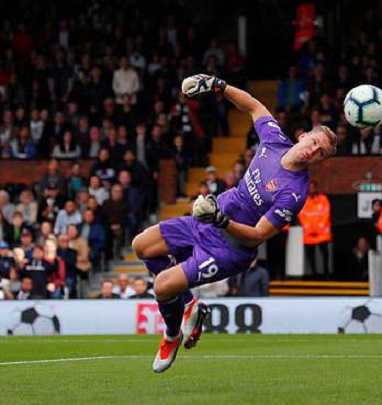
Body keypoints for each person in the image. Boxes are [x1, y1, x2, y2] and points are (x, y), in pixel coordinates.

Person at [131, 74, 338, 373]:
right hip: (208, 219)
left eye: (322, 153)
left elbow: (256, 236)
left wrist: (221, 219)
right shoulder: (274, 140)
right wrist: (219, 85)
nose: (314, 151)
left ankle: (172, 335)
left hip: (229, 249)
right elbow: (254, 106)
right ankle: (189, 305)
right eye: (315, 142)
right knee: (142, 246)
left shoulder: (294, 193)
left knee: (162, 288)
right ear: (303, 135)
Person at [298, 181, 332, 279]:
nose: (311, 189)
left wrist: (319, 227)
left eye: (313, 187)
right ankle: (314, 274)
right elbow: (301, 215)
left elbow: (326, 213)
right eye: (309, 187)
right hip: (309, 233)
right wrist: (309, 227)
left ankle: (326, 274)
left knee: (325, 254)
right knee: (310, 255)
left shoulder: (323, 199)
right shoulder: (304, 200)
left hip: (322, 233)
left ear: (316, 188)